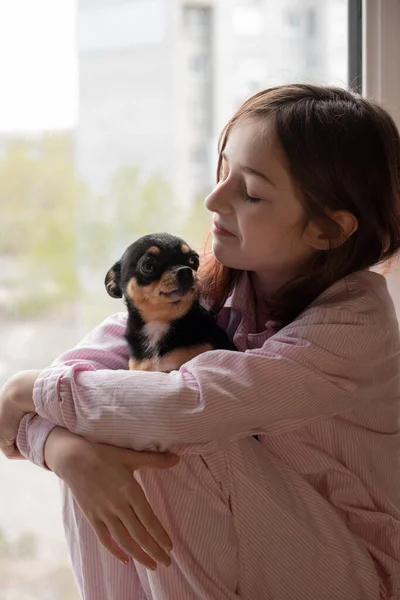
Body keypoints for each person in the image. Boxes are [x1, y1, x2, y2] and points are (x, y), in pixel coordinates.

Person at [1, 84, 400, 600]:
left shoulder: (355, 326)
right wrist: (65, 452)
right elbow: (79, 374)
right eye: (223, 168)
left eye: (250, 192)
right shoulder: (211, 283)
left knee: (159, 425)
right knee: (109, 415)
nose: (214, 199)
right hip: (261, 539)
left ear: (327, 230)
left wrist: (27, 394)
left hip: (352, 571)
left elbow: (188, 407)